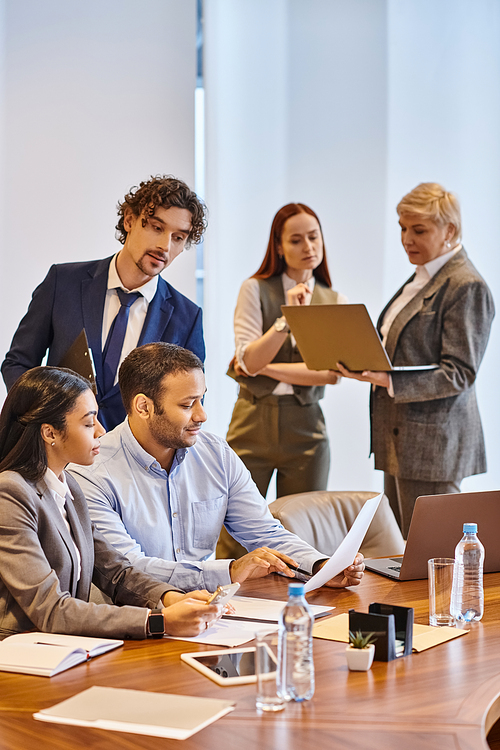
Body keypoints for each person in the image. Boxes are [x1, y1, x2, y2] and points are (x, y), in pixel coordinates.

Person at [69, 342, 365, 593]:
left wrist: (321, 566)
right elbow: (130, 569)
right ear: (144, 407)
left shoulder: (216, 454)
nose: (202, 415)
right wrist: (231, 571)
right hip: (132, 618)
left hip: (211, 612)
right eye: (187, 405)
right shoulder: (91, 474)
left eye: (202, 399)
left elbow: (265, 533)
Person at [0, 366, 223, 640]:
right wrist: (158, 621)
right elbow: (51, 610)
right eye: (88, 422)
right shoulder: (10, 492)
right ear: (50, 433)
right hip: (18, 654)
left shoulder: (68, 486)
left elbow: (114, 571)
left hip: (61, 649)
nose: (101, 431)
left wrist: (169, 598)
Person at [338, 183, 495, 537]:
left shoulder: (466, 285)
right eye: (403, 229)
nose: (407, 238)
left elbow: (459, 373)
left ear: (450, 230)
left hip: (432, 446)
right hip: (399, 438)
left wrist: (386, 379)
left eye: (418, 230)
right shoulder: (422, 277)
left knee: (434, 553)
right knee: (406, 554)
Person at [1, 175, 207, 432]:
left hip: (133, 462)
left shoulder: (187, 317)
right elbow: (18, 363)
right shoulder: (62, 282)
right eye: (156, 227)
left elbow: (189, 400)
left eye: (178, 237)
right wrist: (44, 415)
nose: (165, 245)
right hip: (55, 450)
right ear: (130, 220)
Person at [226, 203, 346, 500]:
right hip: (252, 420)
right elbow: (251, 359)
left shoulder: (335, 301)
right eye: (296, 240)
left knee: (303, 526)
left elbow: (330, 375)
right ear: (278, 247)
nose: (308, 246)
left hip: (307, 426)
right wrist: (287, 318)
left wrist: (262, 368)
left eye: (314, 236)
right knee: (234, 525)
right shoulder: (254, 288)